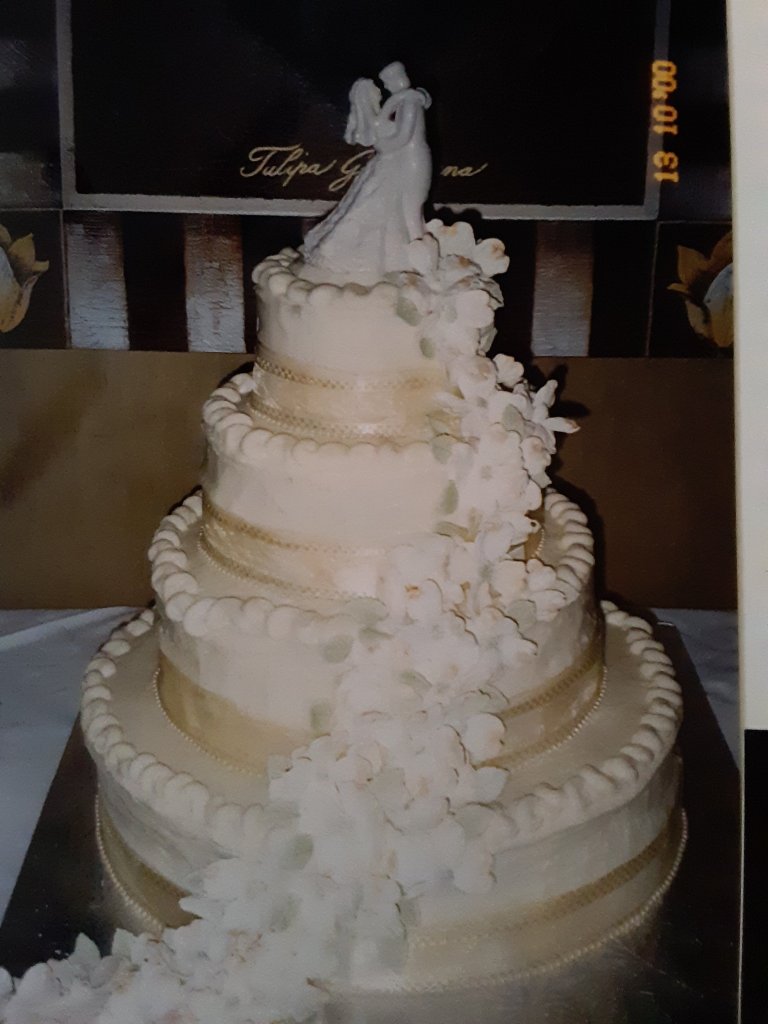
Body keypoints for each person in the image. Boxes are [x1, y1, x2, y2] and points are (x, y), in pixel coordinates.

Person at [304, 62, 431, 278]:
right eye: (387, 83)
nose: (389, 86)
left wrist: (380, 144)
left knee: (411, 207)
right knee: (403, 208)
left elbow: (402, 137)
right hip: (401, 161)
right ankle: (416, 259)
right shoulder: (401, 101)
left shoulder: (410, 101)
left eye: (390, 81)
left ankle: (421, 259)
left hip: (413, 160)